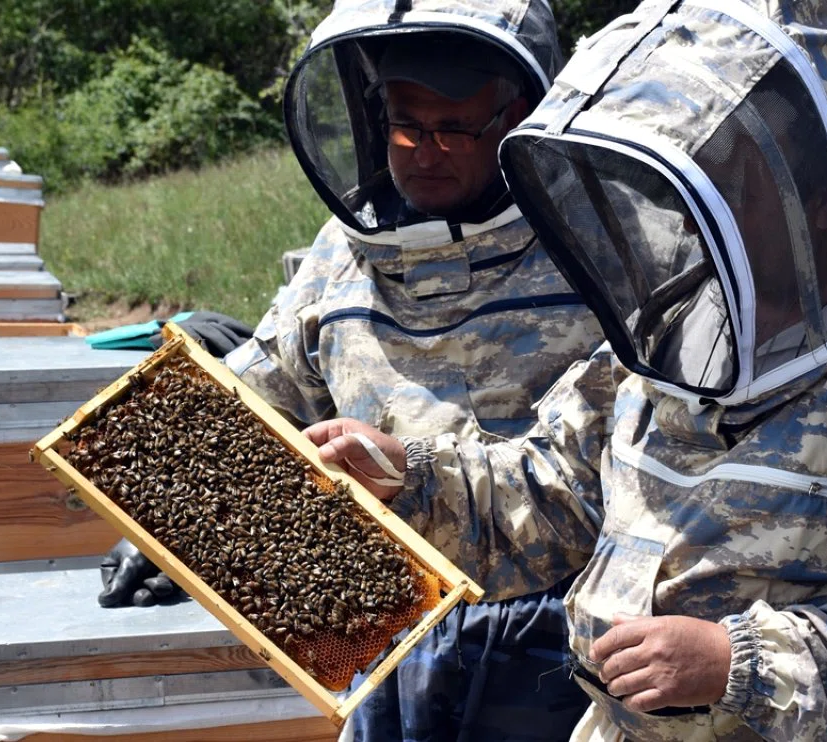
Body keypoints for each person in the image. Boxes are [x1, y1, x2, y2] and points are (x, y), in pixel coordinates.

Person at [310, 1, 827, 739]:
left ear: (810, 200)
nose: (689, 224)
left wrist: (734, 663)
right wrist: (413, 479)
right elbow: (553, 491)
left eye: (724, 191)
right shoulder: (685, 315)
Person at [100, 2, 606, 740]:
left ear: (517, 116)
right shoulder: (345, 251)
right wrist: (175, 517)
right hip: (381, 625)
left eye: (452, 129)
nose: (423, 152)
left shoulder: (598, 250)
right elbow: (263, 388)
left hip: (556, 649)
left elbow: (607, 477)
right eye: (405, 125)